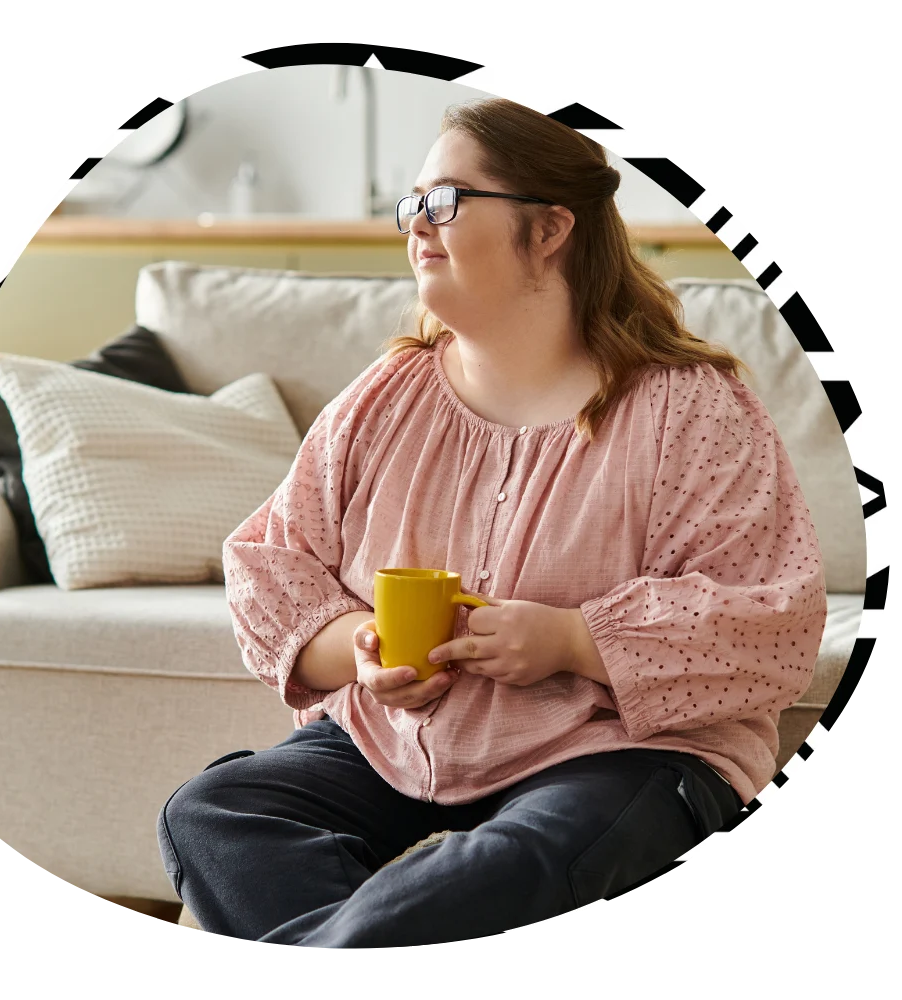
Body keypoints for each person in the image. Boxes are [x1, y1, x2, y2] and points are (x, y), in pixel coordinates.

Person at [156, 97, 826, 949]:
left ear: (549, 230)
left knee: (511, 861)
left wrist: (573, 641)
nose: (417, 227)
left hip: (617, 754)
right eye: (412, 205)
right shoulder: (386, 396)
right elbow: (268, 564)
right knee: (213, 812)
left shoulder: (688, 409)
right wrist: (363, 650)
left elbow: (776, 623)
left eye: (445, 201)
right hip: (396, 749)